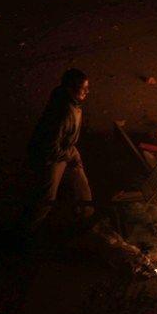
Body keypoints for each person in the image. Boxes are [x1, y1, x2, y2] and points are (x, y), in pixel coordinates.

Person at [24, 68, 93, 233]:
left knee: (81, 187)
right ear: (70, 89)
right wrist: (69, 154)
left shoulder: (69, 101)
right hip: (52, 158)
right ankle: (25, 231)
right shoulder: (62, 112)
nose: (87, 91)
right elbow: (51, 148)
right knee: (46, 199)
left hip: (67, 150)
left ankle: (85, 217)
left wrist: (72, 151)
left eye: (87, 87)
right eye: (82, 88)